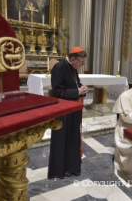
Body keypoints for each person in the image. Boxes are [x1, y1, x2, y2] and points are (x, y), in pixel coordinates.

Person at [48, 46, 88, 179]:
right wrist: (78, 92)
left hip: (73, 108)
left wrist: (82, 88)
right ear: (72, 59)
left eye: (83, 62)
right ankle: (59, 169)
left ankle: (71, 166)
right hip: (62, 112)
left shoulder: (73, 68)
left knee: (72, 138)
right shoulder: (59, 68)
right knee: (61, 140)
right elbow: (58, 92)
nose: (82, 65)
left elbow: (76, 83)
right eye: (81, 62)